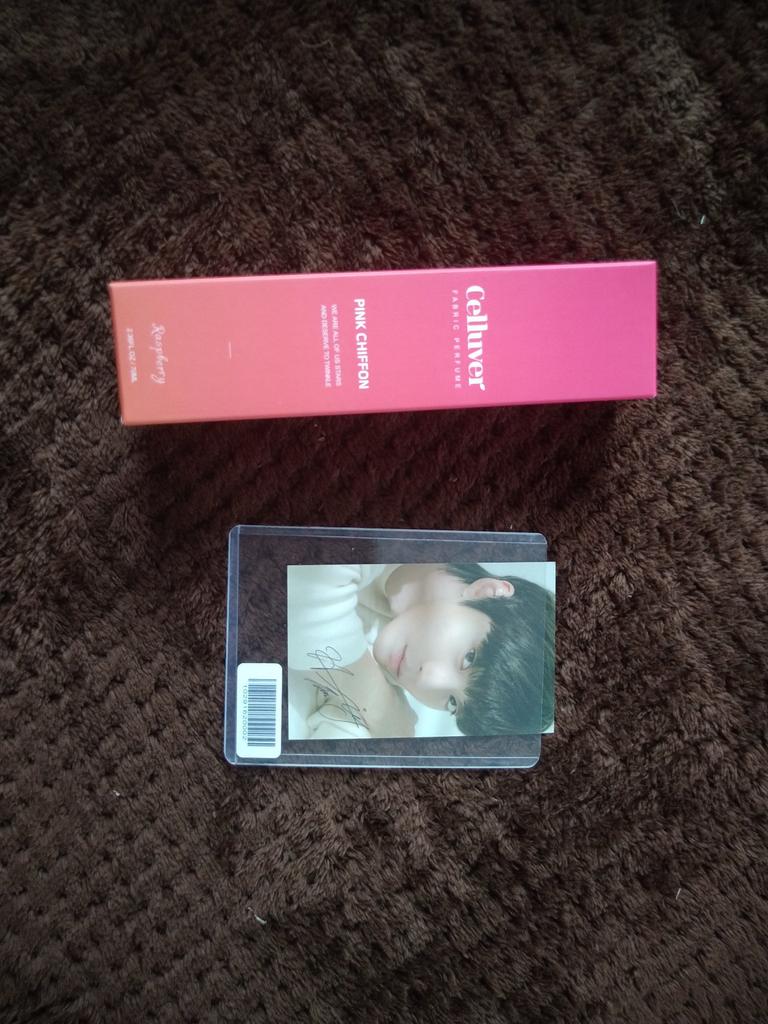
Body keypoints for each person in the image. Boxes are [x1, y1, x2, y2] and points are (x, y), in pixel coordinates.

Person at [286, 562, 554, 741]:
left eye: (452, 703)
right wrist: (378, 708)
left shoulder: (385, 687)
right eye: (468, 658)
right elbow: (304, 589)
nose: (428, 681)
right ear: (488, 593)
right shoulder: (396, 534)